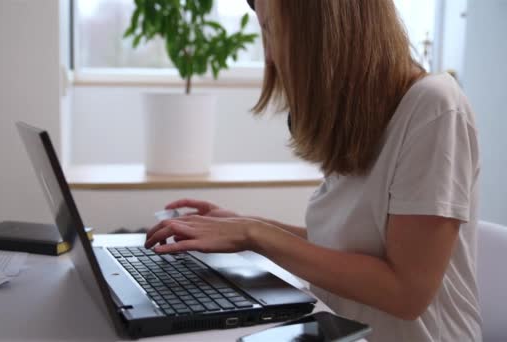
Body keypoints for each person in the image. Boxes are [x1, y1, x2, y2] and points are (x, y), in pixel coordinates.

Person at [144, 1, 482, 341]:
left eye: (270, 31)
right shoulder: (364, 118)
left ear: (322, 32)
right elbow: (348, 245)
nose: (270, 57)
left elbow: (405, 293)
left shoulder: (435, 107)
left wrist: (254, 234)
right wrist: (241, 226)